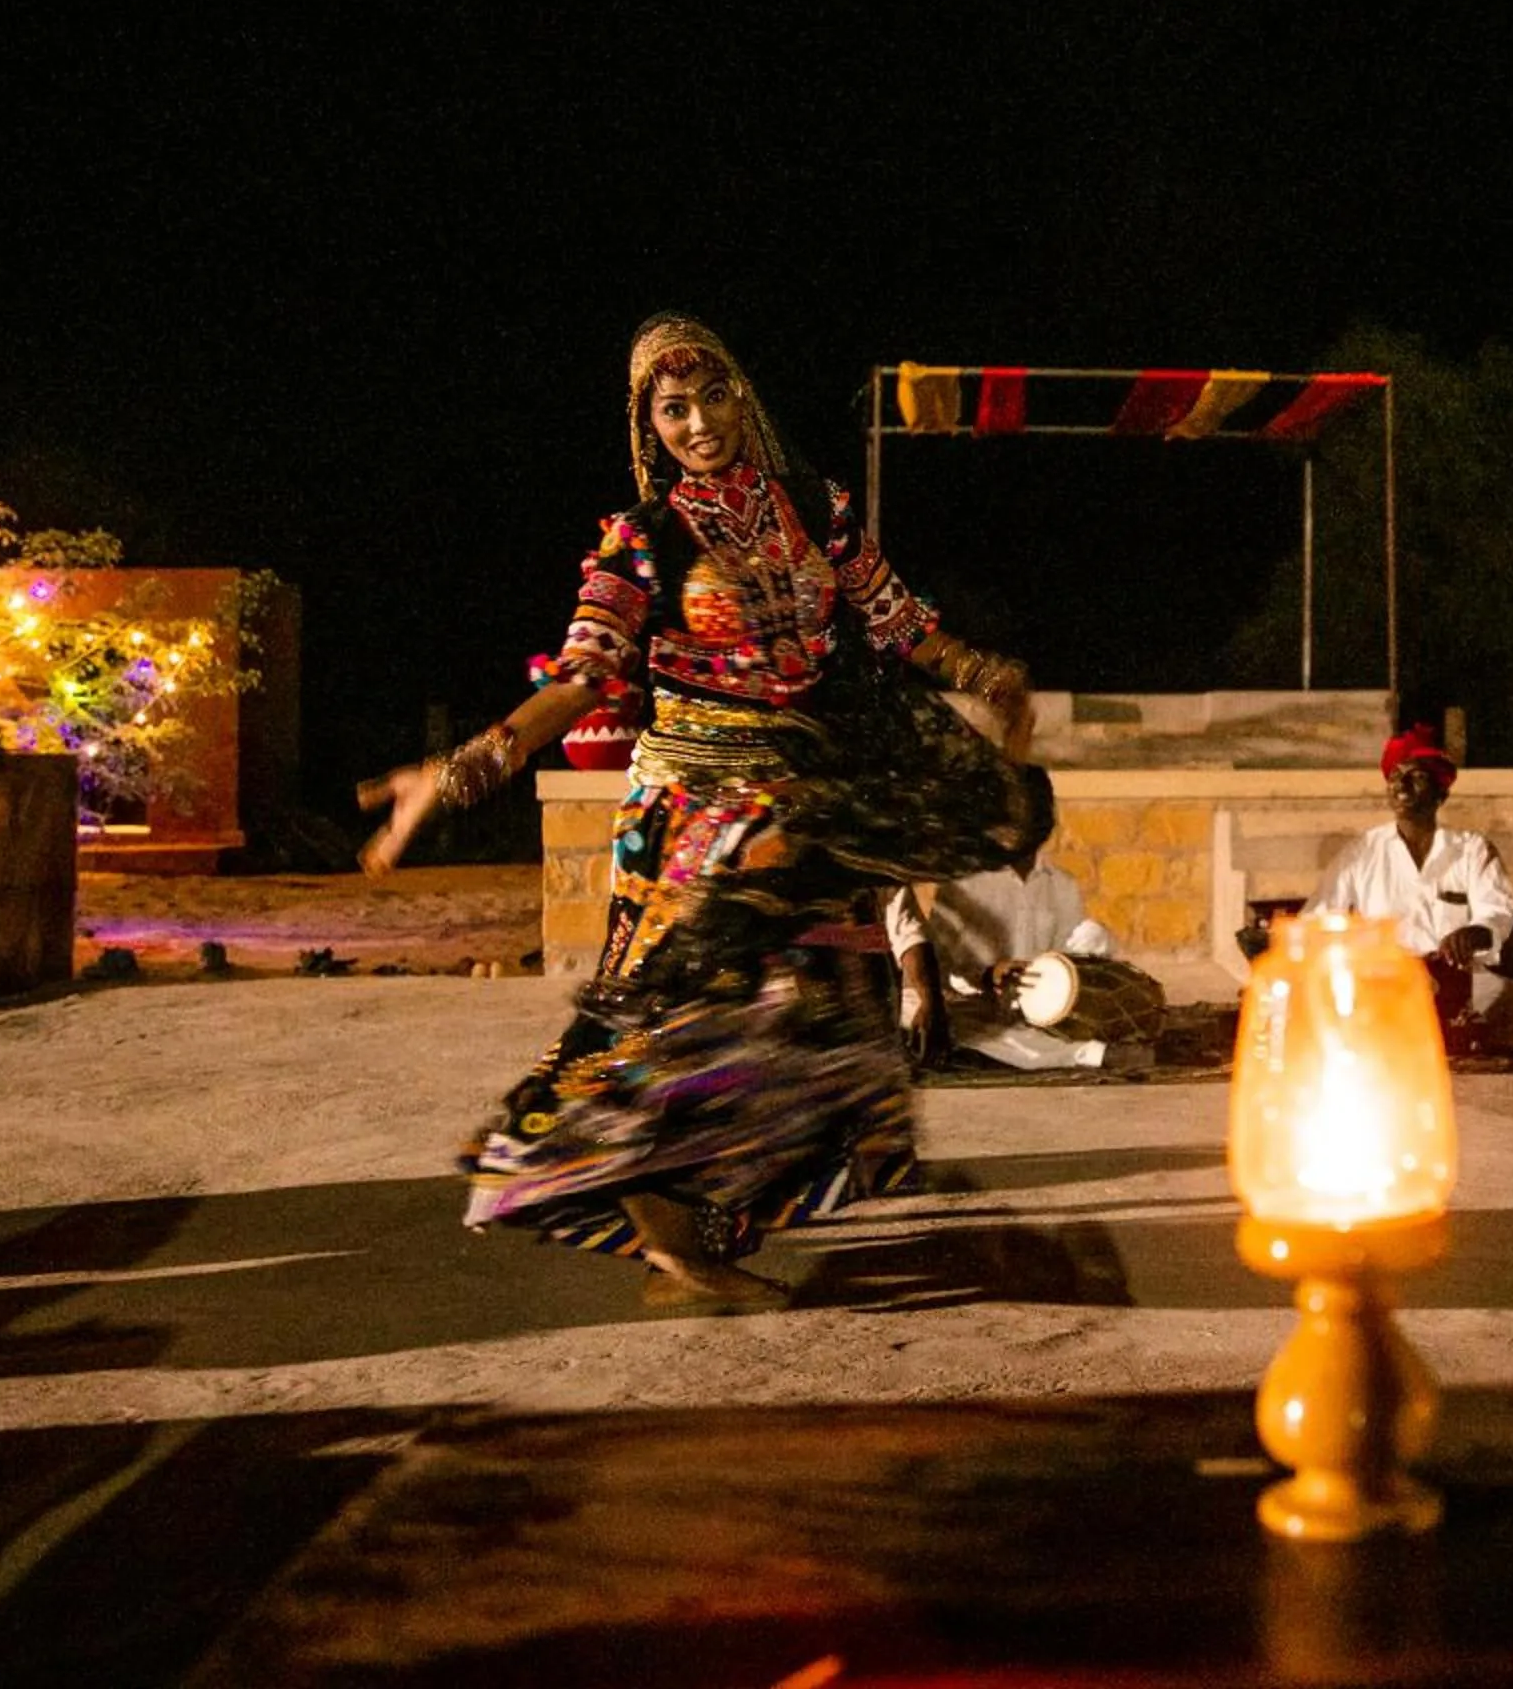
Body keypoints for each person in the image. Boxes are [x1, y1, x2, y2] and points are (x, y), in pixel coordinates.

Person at [357, 313, 1042, 1309]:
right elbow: (585, 672)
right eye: (672, 409)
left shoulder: (819, 507)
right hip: (688, 818)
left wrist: (981, 670)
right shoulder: (639, 539)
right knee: (671, 1035)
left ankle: (707, 1227)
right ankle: (681, 1246)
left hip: (800, 808)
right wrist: (472, 764)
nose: (698, 423)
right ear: (650, 424)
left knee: (815, 1033)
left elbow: (899, 624)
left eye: (712, 397)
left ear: (743, 397)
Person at [881, 769, 1165, 1070]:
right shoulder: (964, 883)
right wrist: (988, 976)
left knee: (1093, 940)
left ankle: (1074, 1048)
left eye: (1037, 814)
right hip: (977, 1006)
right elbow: (942, 969)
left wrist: (1092, 946)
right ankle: (1092, 1054)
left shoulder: (1062, 885)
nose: (1026, 826)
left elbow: (1070, 961)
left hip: (1038, 1011)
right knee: (930, 1016)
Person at [1304, 724, 1513, 1056]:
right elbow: (1319, 916)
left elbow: (1497, 913)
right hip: (1383, 981)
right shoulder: (1361, 852)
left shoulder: (1472, 849)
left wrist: (1474, 932)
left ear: (1440, 794)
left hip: (1457, 984)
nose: (1401, 786)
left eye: (1415, 777)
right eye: (1395, 776)